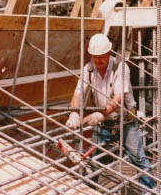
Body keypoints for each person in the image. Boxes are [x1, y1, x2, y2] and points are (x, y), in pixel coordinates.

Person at [66, 33, 155, 194]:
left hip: (125, 122)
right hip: (104, 125)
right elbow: (79, 92)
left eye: (101, 56)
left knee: (138, 158)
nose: (98, 60)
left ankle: (148, 191)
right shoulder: (89, 69)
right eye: (95, 57)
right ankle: (88, 191)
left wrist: (100, 114)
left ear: (109, 53)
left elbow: (118, 97)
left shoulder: (120, 67)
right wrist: (73, 112)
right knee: (93, 161)